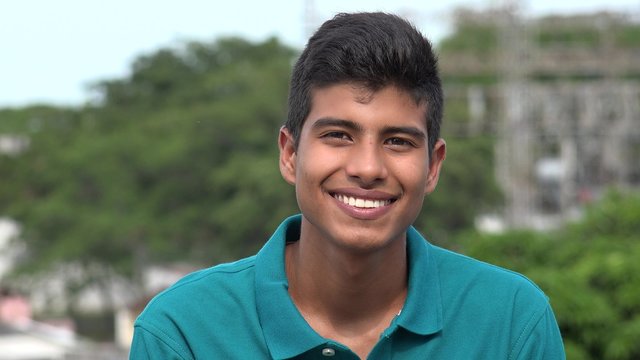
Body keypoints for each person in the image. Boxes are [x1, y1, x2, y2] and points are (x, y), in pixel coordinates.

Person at [129, 12, 565, 359]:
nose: (368, 167)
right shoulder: (184, 333)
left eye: (397, 141)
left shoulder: (510, 321)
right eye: (338, 135)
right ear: (290, 153)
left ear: (432, 167)